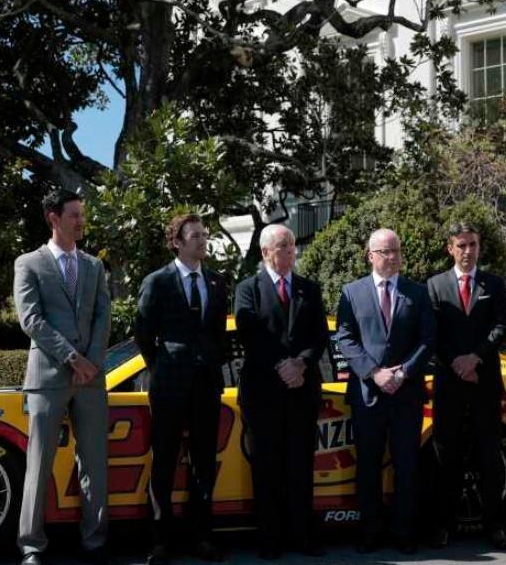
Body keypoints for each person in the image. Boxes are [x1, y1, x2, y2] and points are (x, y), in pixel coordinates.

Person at [14, 189, 111, 565]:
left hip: (91, 378)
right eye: (74, 215)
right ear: (53, 218)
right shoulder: (29, 263)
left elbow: (103, 315)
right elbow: (31, 319)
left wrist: (92, 362)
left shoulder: (93, 266)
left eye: (82, 214)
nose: (81, 221)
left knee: (95, 462)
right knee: (39, 463)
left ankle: (95, 541)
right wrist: (72, 357)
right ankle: (31, 545)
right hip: (49, 377)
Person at [332, 228, 435, 554]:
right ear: (370, 256)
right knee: (368, 466)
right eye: (385, 252)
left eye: (396, 251)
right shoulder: (351, 292)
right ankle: (370, 531)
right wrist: (374, 373)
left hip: (407, 394)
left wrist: (403, 372)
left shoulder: (417, 293)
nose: (392, 257)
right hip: (368, 394)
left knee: (407, 465)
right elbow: (345, 338)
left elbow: (428, 340)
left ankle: (404, 532)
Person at [135, 214, 229, 565]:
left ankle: (201, 537)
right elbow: (143, 333)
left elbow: (218, 333)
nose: (203, 241)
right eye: (195, 236)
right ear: (177, 242)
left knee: (204, 462)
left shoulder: (217, 282)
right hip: (169, 385)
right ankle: (160, 541)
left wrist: (210, 360)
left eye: (205, 234)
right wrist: (161, 366)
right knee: (164, 460)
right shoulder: (157, 281)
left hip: (206, 384)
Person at [233, 225, 329, 560]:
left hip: (302, 390)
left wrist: (300, 364)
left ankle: (302, 536)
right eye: (283, 246)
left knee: (300, 466)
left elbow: (320, 335)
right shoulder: (248, 289)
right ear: (265, 252)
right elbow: (250, 333)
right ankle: (269, 539)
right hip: (263, 394)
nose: (291, 251)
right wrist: (281, 365)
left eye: (292, 245)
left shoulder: (309, 289)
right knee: (266, 468)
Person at [425, 222, 506, 551]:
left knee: (490, 456)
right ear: (450, 248)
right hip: (449, 384)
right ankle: (442, 525)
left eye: (472, 244)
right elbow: (433, 334)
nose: (467, 251)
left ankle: (495, 526)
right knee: (445, 456)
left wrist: (474, 359)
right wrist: (458, 364)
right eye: (461, 245)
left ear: (479, 247)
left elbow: (500, 326)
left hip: (484, 382)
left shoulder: (494, 284)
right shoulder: (434, 286)